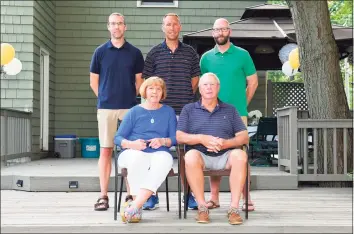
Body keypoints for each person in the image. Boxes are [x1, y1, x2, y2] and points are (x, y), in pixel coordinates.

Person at [140, 13, 201, 210]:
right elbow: (147, 83)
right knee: (155, 152)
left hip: (184, 111)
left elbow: (195, 80)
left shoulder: (190, 52)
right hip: (160, 112)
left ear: (180, 27)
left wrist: (183, 95)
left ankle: (188, 195)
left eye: (175, 24)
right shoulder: (154, 53)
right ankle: (151, 195)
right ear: (163, 27)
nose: (172, 27)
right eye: (168, 24)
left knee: (186, 154)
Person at [199, 18, 258, 212]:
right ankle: (214, 198)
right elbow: (203, 85)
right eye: (217, 29)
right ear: (213, 33)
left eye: (224, 29)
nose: (220, 32)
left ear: (229, 31)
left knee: (241, 155)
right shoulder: (206, 58)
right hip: (212, 114)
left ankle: (246, 198)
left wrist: (242, 105)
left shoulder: (243, 55)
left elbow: (253, 82)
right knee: (214, 151)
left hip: (238, 115)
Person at [176, 72, 249, 225]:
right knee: (189, 156)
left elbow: (243, 137)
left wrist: (225, 143)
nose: (208, 88)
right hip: (200, 155)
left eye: (212, 85)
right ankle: (202, 207)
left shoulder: (230, 110)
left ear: (218, 88)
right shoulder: (189, 109)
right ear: (200, 89)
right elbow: (180, 136)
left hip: (226, 155)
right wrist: (202, 138)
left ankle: (234, 208)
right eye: (205, 85)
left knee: (241, 156)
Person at [90, 12, 144, 211]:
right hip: (106, 109)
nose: (116, 27)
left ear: (125, 27)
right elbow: (93, 81)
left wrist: (128, 98)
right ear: (108, 27)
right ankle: (103, 195)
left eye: (120, 23)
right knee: (105, 150)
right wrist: (105, 97)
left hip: (129, 108)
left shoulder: (135, 53)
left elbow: (139, 82)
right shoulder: (100, 52)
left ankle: (131, 194)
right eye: (113, 24)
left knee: (130, 150)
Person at [114, 77, 177, 223]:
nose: (154, 92)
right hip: (133, 151)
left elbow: (175, 138)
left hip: (159, 151)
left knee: (165, 160)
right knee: (138, 158)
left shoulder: (168, 112)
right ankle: (136, 203)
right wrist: (132, 144)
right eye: (151, 88)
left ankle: (135, 205)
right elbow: (117, 138)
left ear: (162, 93)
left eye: (158, 89)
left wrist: (163, 141)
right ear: (144, 91)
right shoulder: (134, 111)